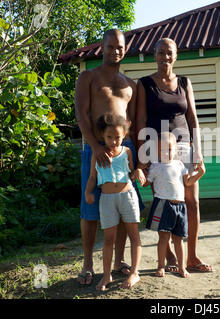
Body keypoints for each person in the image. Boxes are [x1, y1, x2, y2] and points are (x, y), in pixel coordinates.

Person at [136, 38, 214, 273]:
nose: (165, 57)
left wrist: (198, 151)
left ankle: (191, 256)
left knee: (191, 202)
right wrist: (142, 156)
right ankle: (169, 254)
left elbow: (192, 118)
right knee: (163, 202)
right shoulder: (144, 84)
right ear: (155, 55)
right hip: (155, 151)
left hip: (184, 149)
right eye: (161, 53)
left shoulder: (184, 82)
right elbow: (139, 120)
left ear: (176, 56)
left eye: (170, 53)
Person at [75, 29, 143, 285]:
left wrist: (138, 161)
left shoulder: (130, 85)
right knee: (90, 207)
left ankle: (118, 260)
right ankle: (88, 263)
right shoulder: (88, 77)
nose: (116, 51)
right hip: (95, 150)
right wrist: (95, 146)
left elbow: (134, 123)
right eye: (111, 46)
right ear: (102, 48)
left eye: (120, 47)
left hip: (123, 151)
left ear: (125, 49)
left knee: (125, 206)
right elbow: (81, 114)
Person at [84, 113, 144, 290]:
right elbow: (92, 177)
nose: (113, 141)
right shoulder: (98, 154)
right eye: (109, 137)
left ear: (124, 135)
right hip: (107, 200)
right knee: (108, 239)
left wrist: (138, 172)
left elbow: (131, 173)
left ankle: (134, 273)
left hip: (128, 196)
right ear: (103, 135)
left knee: (134, 235)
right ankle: (106, 275)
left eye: (117, 137)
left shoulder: (127, 152)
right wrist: (88, 193)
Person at [143, 132, 206, 278]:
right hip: (162, 205)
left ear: (176, 149)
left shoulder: (180, 165)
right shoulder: (155, 167)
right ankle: (160, 266)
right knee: (163, 238)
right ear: (156, 151)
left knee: (179, 239)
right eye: (161, 150)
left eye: (169, 149)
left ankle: (182, 267)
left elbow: (188, 182)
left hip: (180, 207)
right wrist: (139, 173)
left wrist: (201, 172)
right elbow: (147, 183)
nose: (166, 152)